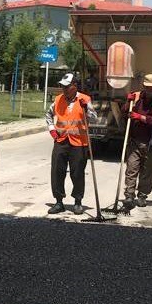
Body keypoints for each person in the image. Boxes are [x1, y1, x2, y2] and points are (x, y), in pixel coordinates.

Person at [46, 73, 97, 215]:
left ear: (75, 86)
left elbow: (94, 118)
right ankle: (59, 201)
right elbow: (48, 115)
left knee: (77, 173)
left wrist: (86, 108)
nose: (64, 89)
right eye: (62, 86)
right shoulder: (58, 100)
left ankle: (78, 202)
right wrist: (52, 130)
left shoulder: (85, 99)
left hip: (79, 143)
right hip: (61, 141)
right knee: (57, 171)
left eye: (67, 86)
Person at [121, 73, 152, 211]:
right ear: (144, 86)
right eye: (147, 87)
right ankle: (129, 195)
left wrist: (140, 117)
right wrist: (128, 102)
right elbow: (124, 113)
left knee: (147, 171)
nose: (150, 90)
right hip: (135, 139)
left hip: (151, 141)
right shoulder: (135, 97)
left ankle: (142, 195)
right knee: (131, 168)